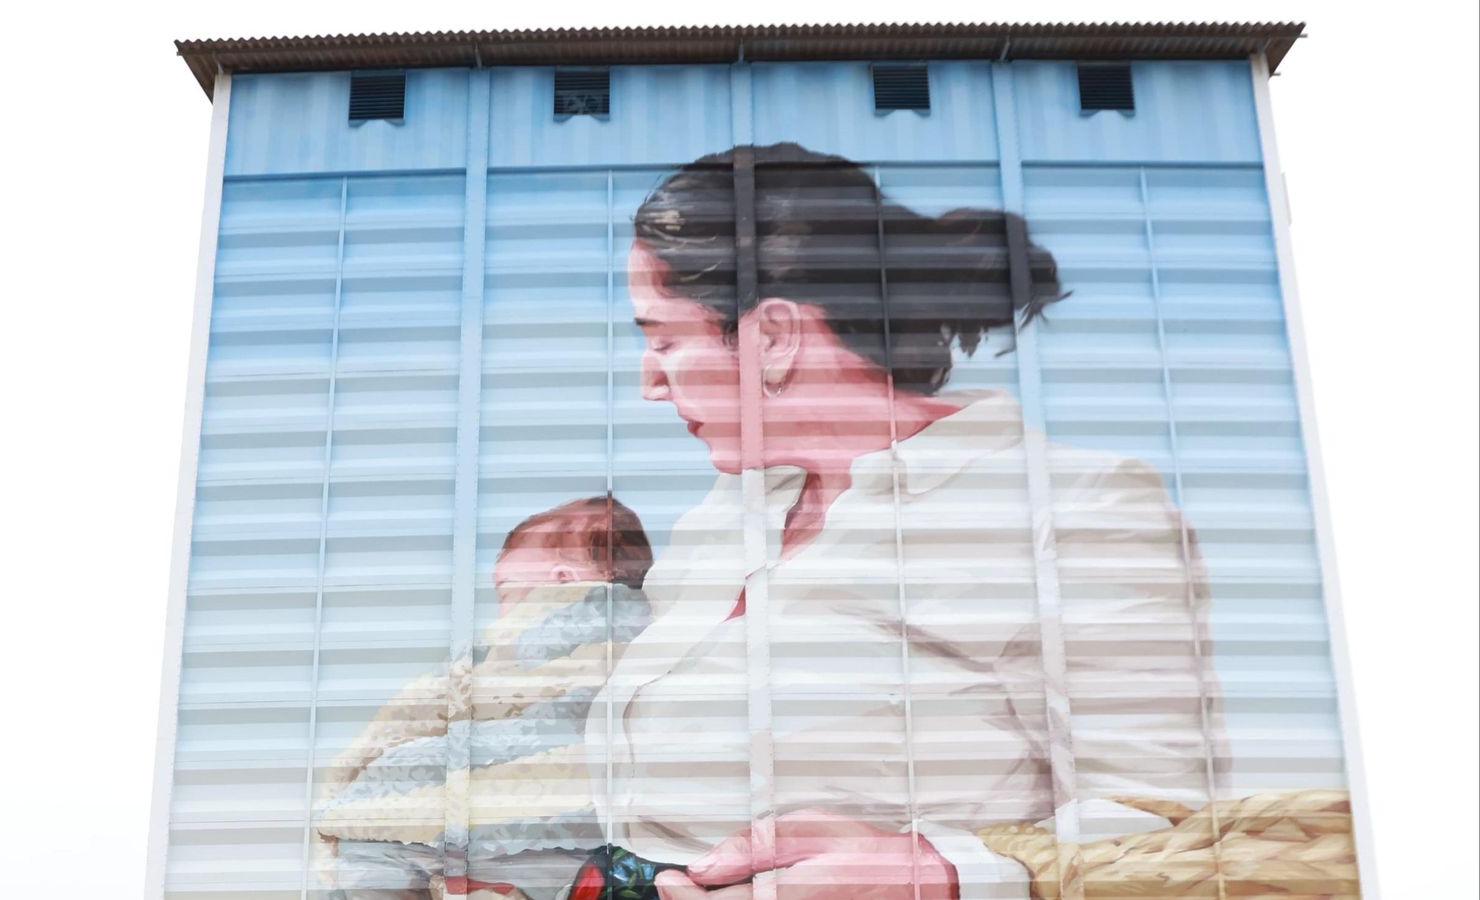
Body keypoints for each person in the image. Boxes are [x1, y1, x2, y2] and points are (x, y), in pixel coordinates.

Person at [586, 143, 1229, 900]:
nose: (648, 384)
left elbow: (1174, 825)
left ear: (777, 336)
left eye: (663, 339)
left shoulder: (1075, 506)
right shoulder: (724, 522)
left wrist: (950, 874)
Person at [316, 496, 656, 900]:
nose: (501, 613)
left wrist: (354, 780)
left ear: (564, 579)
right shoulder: (653, 639)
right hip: (577, 830)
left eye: (506, 593)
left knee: (377, 840)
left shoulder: (539, 638)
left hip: (515, 817)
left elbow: (420, 710)